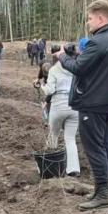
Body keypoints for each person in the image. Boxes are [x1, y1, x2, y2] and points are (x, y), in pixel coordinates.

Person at [60, 0, 108, 210]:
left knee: (94, 147)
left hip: (93, 103)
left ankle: (103, 193)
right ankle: (101, 189)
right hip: (107, 102)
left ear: (101, 18)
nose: (87, 23)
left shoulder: (98, 42)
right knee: (104, 145)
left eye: (89, 19)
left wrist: (62, 56)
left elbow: (79, 67)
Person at [43, 44, 81, 176]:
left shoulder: (54, 69)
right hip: (75, 106)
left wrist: (42, 86)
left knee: (53, 134)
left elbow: (50, 90)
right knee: (70, 139)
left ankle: (51, 165)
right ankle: (73, 169)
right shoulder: (77, 68)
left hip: (58, 104)